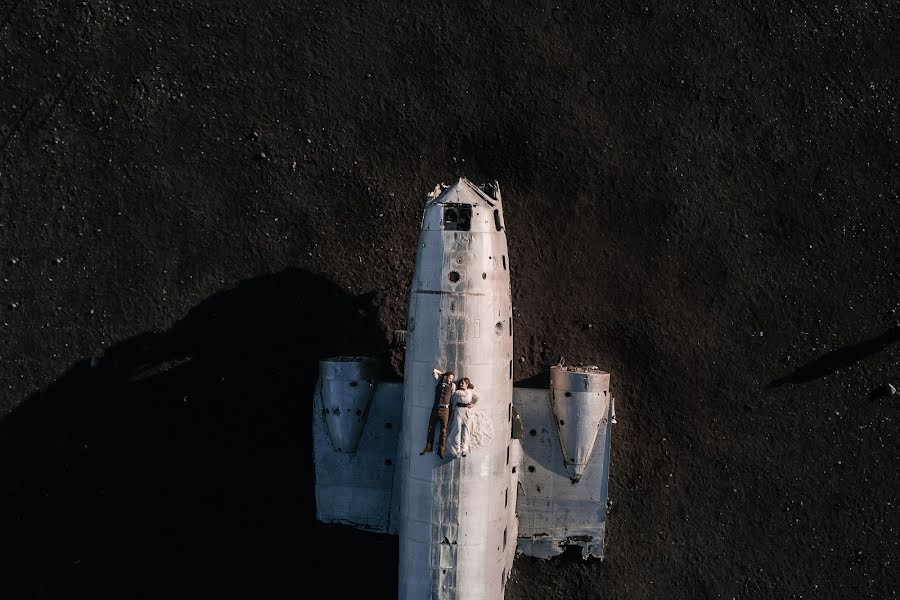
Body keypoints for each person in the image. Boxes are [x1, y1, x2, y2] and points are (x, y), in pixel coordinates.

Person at [448, 377, 492, 457]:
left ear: (467, 384)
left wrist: (473, 404)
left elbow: (478, 397)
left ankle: (464, 448)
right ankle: (457, 448)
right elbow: (453, 398)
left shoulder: (470, 391)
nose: (461, 384)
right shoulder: (458, 392)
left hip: (467, 411)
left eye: (463, 383)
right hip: (459, 410)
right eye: (460, 383)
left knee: (466, 430)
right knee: (457, 429)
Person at [420, 368, 455, 458]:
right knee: (431, 427)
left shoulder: (453, 386)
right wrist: (443, 375)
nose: (450, 380)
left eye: (452, 379)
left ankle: (441, 451)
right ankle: (428, 446)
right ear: (446, 377)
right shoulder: (439, 381)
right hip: (436, 408)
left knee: (443, 431)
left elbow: (452, 396)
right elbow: (434, 371)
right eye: (449, 377)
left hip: (445, 410)